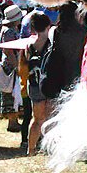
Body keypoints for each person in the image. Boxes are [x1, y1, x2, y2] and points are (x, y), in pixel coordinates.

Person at [21, 11, 54, 154]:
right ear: (48, 25)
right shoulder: (52, 43)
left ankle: (31, 149)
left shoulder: (28, 45)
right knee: (51, 118)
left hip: (34, 84)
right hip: (49, 84)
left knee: (37, 120)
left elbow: (23, 65)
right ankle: (51, 148)